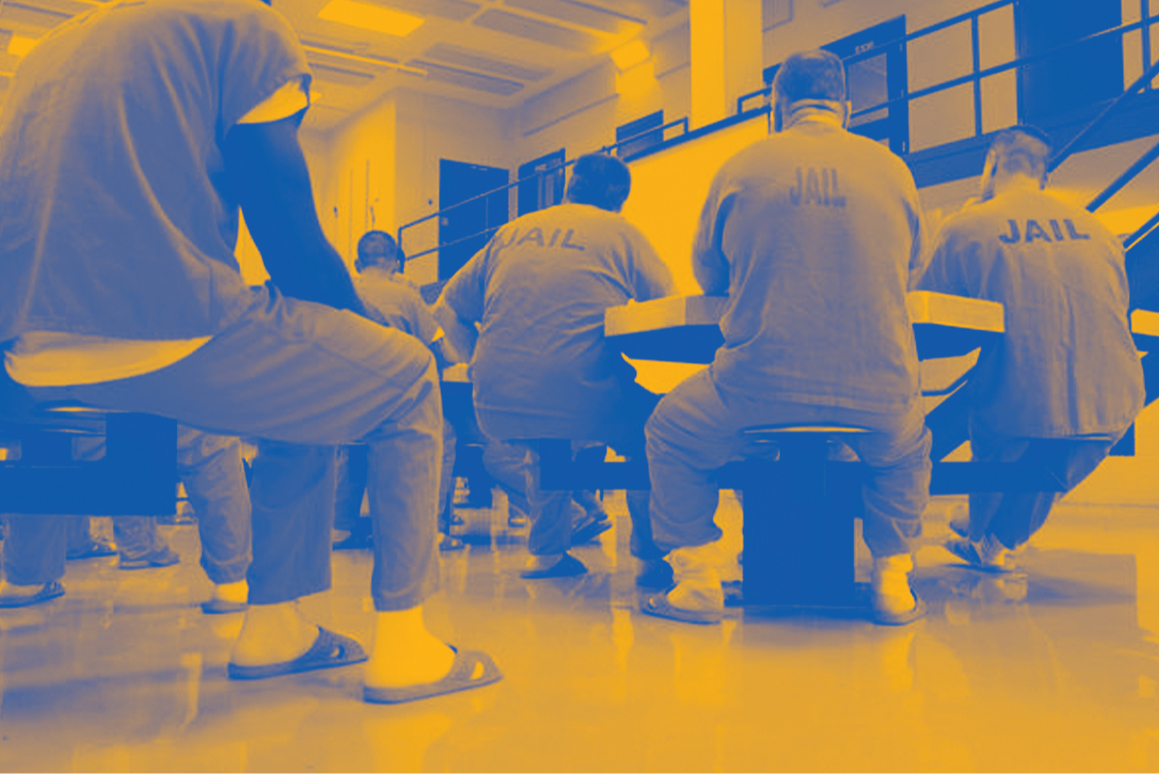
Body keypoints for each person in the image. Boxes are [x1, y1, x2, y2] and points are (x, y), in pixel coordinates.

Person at [0, 0, 499, 703]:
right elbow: (288, 237)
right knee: (408, 377)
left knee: (309, 399)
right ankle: (407, 647)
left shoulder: (51, 50)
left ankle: (279, 627)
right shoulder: (241, 23)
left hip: (25, 344)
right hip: (166, 319)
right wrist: (366, 336)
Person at [642, 50, 932, 626]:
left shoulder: (742, 166)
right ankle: (892, 582)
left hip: (756, 385)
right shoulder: (894, 170)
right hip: (879, 387)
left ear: (777, 108)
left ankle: (697, 581)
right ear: (846, 108)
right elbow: (911, 268)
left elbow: (710, 274)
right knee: (905, 447)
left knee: (669, 430)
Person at [436, 153, 675, 581]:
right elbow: (665, 305)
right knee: (654, 427)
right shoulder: (621, 233)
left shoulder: (511, 231)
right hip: (582, 392)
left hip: (494, 400)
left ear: (568, 186)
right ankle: (651, 553)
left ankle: (546, 553)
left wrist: (476, 363)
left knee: (547, 442)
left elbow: (447, 309)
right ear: (620, 199)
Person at [918, 126, 1144, 571]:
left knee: (995, 428)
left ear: (990, 165)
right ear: (1044, 176)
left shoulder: (967, 227)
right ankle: (992, 541)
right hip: (1115, 400)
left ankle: (979, 529)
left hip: (1018, 401)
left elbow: (927, 315)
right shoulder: (1098, 230)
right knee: (1054, 461)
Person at [0, 427, 252, 614]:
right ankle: (231, 578)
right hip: (130, 407)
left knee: (39, 435)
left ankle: (27, 574)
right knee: (208, 436)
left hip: (44, 406)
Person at [333, 230, 462, 553]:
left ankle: (340, 527)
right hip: (395, 407)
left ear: (356, 262)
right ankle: (430, 529)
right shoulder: (406, 297)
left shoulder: (338, 293)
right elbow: (445, 353)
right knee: (443, 434)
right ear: (397, 262)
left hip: (344, 407)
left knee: (353, 445)